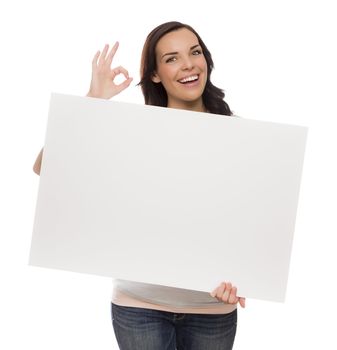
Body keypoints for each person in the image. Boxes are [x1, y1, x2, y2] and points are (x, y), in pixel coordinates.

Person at [33, 21, 246, 350]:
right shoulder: (131, 131)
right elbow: (45, 168)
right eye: (172, 58)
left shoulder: (240, 136)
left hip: (212, 307)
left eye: (195, 52)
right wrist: (93, 101)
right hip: (140, 306)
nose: (189, 64)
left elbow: (251, 219)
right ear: (156, 73)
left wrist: (246, 276)